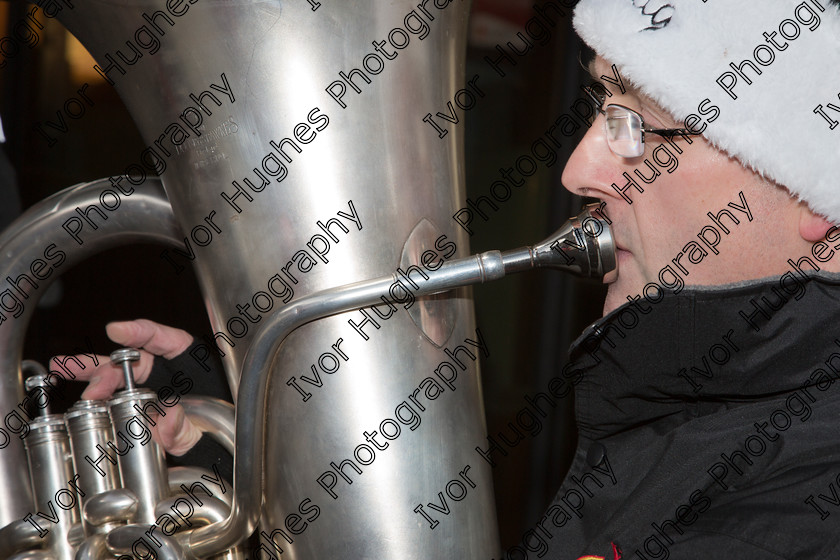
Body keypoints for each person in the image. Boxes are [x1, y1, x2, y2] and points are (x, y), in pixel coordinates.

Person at [59, 0, 840, 557]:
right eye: (603, 102)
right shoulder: (702, 400)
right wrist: (260, 443)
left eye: (637, 124)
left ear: (820, 203)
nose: (579, 167)